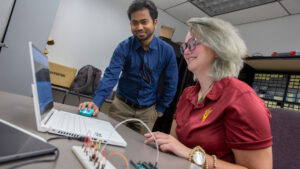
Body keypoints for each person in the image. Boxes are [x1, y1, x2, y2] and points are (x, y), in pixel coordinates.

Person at [144, 17, 273, 169]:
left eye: (192, 43)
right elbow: (174, 144)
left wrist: (190, 154)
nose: (186, 51)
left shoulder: (242, 98)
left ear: (218, 48)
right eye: (184, 46)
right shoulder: (188, 94)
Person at [78, 0, 178, 134]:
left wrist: (160, 109)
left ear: (154, 23)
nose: (139, 27)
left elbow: (171, 83)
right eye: (134, 23)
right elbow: (111, 76)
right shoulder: (123, 47)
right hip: (121, 107)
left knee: (138, 151)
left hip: (148, 113)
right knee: (109, 143)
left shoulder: (167, 51)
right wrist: (97, 102)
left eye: (144, 22)